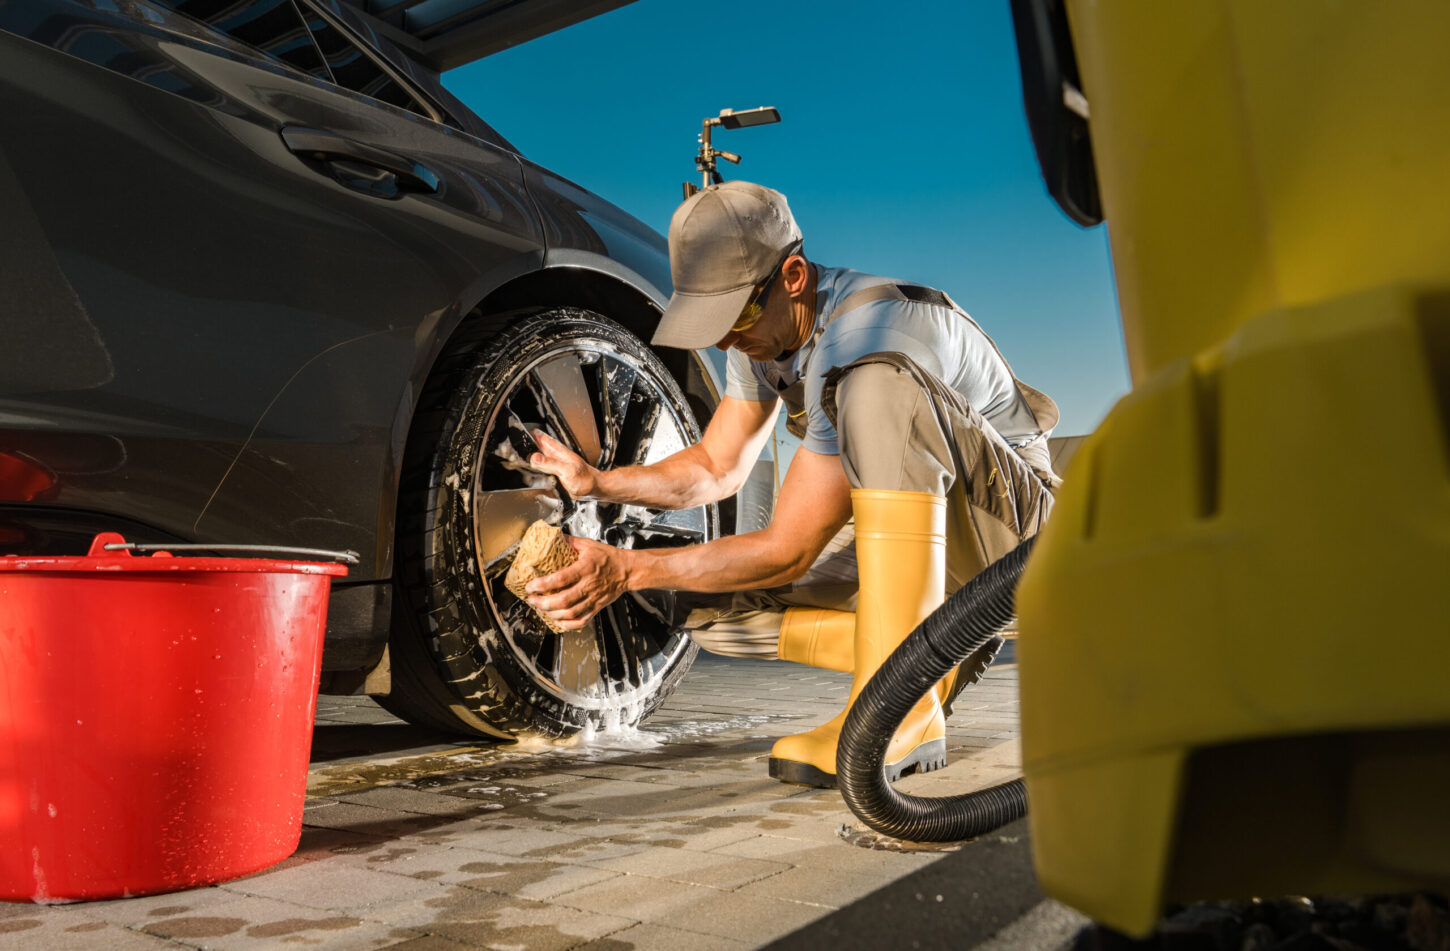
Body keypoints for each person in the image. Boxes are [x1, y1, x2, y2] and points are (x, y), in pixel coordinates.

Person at [524, 181, 1060, 788]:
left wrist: (623, 567)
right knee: (692, 596)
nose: (726, 338)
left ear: (795, 275)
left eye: (735, 317)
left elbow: (789, 548)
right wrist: (600, 482)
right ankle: (933, 660)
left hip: (1025, 544)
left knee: (876, 386)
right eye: (712, 321)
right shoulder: (763, 338)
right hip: (923, 547)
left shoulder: (872, 330)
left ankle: (901, 713)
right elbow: (715, 467)